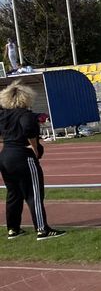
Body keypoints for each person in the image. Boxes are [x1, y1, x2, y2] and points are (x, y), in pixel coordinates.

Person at [0, 81, 65, 240]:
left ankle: (13, 229)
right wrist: (36, 149)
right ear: (26, 97)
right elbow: (29, 130)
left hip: (6, 155)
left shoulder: (3, 115)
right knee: (34, 193)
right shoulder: (25, 115)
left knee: (13, 193)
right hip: (22, 155)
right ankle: (42, 229)